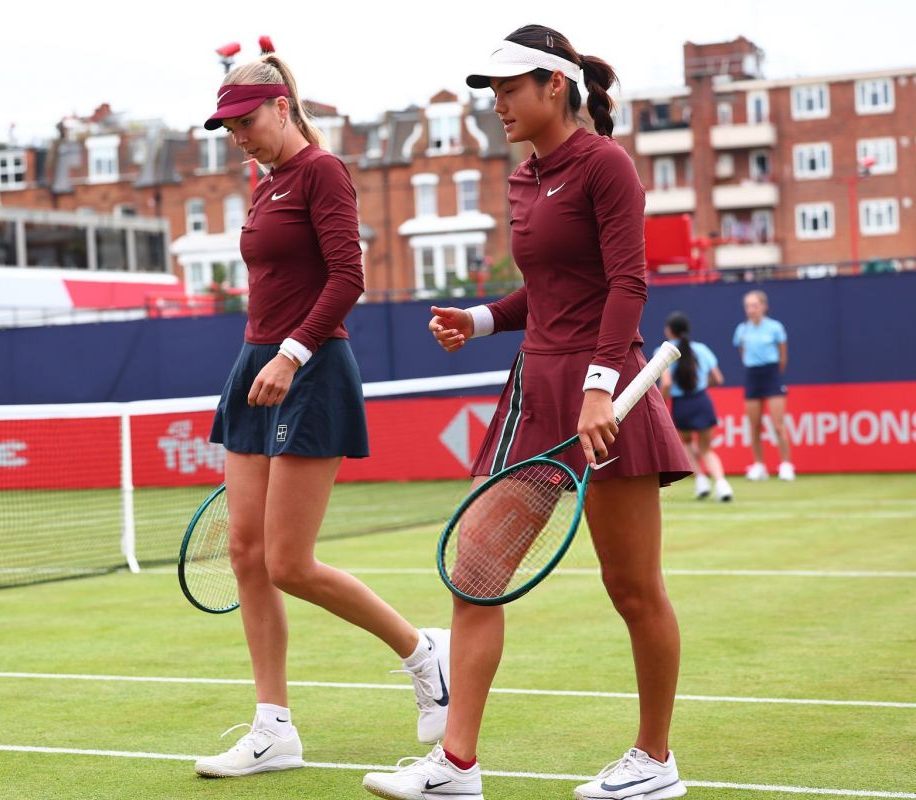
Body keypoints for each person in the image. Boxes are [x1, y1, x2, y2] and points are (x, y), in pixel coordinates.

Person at [362, 25, 691, 800]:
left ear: (555, 85)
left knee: (633, 588)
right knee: (475, 569)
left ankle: (655, 760)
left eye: (510, 89)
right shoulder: (524, 177)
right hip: (535, 393)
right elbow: (543, 291)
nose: (499, 105)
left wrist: (602, 386)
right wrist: (477, 320)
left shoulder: (606, 165)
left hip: (603, 394)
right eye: (493, 92)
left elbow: (626, 284)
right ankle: (456, 766)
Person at [193, 54, 451, 779]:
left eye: (246, 120)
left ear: (281, 107)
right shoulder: (266, 181)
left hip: (308, 370)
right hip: (253, 367)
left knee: (289, 563)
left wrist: (294, 353)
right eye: (228, 126)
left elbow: (349, 276)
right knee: (245, 556)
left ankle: (423, 652)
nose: (237, 136)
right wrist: (265, 357)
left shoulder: (322, 172)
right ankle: (273, 727)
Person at [660, 312, 733, 502]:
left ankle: (701, 480)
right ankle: (722, 485)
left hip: (682, 405)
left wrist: (660, 402)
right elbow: (718, 379)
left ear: (669, 331)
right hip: (702, 401)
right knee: (706, 449)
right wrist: (702, 385)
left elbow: (666, 384)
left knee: (687, 444)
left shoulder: (665, 351)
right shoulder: (701, 349)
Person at [733, 290, 794, 481]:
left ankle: (785, 465)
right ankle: (759, 466)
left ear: (763, 306)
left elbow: (783, 355)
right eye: (748, 306)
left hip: (772, 374)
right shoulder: (741, 330)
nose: (750, 310)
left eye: (754, 305)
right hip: (753, 375)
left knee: (778, 424)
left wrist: (775, 373)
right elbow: (743, 352)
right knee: (754, 425)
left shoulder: (775, 327)